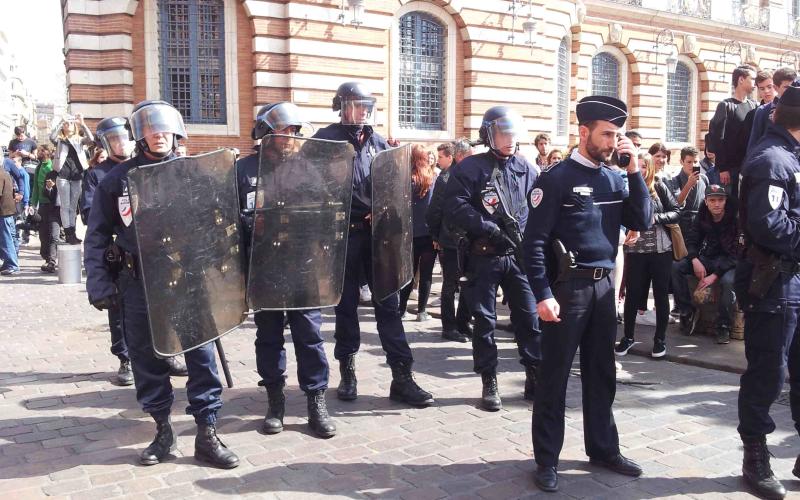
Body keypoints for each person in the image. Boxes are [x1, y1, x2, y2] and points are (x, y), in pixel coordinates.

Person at [84, 100, 239, 469]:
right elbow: (97, 235)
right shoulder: (116, 180)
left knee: (201, 356)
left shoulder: (192, 173)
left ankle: (207, 431)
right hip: (138, 281)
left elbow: (217, 222)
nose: (159, 135)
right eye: (151, 129)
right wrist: (99, 283)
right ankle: (163, 430)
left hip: (187, 278)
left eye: (164, 128)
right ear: (140, 135)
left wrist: (224, 265)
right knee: (147, 357)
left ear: (176, 131)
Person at [523, 95, 652, 492]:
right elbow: (534, 242)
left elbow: (641, 220)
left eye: (618, 135)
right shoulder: (555, 179)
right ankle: (547, 459)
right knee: (555, 378)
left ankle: (603, 448)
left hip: (603, 288)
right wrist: (543, 294)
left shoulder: (615, 178)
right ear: (584, 132)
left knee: (602, 373)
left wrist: (634, 173)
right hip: (568, 289)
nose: (614, 142)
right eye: (607, 134)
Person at [312, 81, 433, 407]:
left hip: (379, 240)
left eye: (367, 104)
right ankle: (347, 371)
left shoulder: (381, 145)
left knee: (390, 308)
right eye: (356, 104)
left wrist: (383, 210)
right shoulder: (324, 140)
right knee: (346, 308)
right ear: (342, 106)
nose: (363, 110)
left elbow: (398, 193)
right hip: (342, 238)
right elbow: (309, 188)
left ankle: (402, 377)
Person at [237, 102, 336, 438]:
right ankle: (274, 401)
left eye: (293, 131)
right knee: (268, 338)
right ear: (265, 132)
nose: (289, 137)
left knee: (310, 337)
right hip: (264, 268)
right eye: (283, 131)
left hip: (302, 266)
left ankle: (315, 400)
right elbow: (231, 220)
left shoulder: (308, 169)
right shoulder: (245, 170)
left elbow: (326, 215)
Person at [444, 105, 542, 412]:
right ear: (489, 134)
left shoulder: (527, 167)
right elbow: (456, 208)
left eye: (512, 133)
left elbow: (535, 208)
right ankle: (489, 379)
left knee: (529, 317)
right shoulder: (470, 168)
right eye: (502, 133)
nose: (508, 139)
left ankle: (534, 375)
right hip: (484, 255)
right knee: (484, 321)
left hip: (517, 255)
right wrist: (488, 228)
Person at [735, 82, 800, 499]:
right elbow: (767, 224)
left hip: (794, 279)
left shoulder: (790, 157)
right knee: (768, 374)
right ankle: (755, 455)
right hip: (773, 282)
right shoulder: (771, 160)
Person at [80, 117, 140, 385]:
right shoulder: (97, 174)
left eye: (124, 137)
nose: (120, 143)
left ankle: (164, 353)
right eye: (114, 139)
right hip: (117, 250)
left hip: (147, 247)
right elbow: (89, 213)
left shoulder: (142, 168)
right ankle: (125, 357)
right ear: (105, 143)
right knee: (119, 308)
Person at [615, 152, 680, 358]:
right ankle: (628, 337)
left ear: (650, 169)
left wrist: (655, 218)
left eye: (644, 167)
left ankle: (660, 340)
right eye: (638, 166)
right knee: (633, 294)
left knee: (660, 294)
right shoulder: (627, 187)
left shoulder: (659, 187)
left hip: (660, 250)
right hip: (635, 250)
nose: (641, 170)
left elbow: (677, 211)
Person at [673, 184, 739, 343]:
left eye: (720, 200)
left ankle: (723, 325)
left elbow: (738, 253)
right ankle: (687, 311)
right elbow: (691, 240)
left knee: (728, 282)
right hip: (708, 257)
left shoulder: (735, 218)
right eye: (713, 200)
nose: (717, 204)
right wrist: (695, 259)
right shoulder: (702, 215)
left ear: (725, 201)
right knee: (676, 267)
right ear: (706, 201)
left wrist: (715, 275)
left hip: (729, 261)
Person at [427, 142, 472, 343]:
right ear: (460, 156)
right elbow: (434, 211)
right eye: (469, 155)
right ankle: (449, 326)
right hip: (451, 239)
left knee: (469, 283)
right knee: (450, 284)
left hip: (470, 239)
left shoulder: (472, 174)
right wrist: (437, 237)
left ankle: (463, 322)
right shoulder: (445, 178)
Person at [399, 145, 437, 322]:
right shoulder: (433, 178)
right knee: (427, 274)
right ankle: (422, 312)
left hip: (410, 234)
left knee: (409, 274)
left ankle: (401, 309)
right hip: (429, 234)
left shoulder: (406, 178)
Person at [707, 64, 757, 198]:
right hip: (729, 171)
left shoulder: (754, 106)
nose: (755, 83)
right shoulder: (726, 105)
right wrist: (723, 168)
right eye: (752, 79)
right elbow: (718, 138)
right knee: (728, 206)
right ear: (741, 79)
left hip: (747, 167)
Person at [50, 114, 93, 244]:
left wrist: (83, 123)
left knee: (73, 207)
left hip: (76, 175)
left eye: (69, 123)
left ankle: (72, 233)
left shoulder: (79, 140)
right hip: (63, 176)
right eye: (65, 124)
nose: (66, 125)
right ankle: (68, 234)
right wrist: (60, 122)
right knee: (65, 206)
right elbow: (51, 137)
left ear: (74, 126)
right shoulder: (60, 140)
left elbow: (91, 139)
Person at [747, 66, 798, 153]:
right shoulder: (763, 111)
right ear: (776, 87)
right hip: (773, 160)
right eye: (787, 87)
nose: (792, 91)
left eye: (794, 86)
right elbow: (753, 145)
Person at [31, 145, 59, 273]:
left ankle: (52, 261)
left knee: (53, 234)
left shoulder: (52, 166)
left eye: (42, 150)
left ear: (47, 152)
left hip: (53, 205)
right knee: (43, 234)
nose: (39, 152)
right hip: (42, 205)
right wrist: (33, 204)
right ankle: (47, 257)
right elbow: (36, 188)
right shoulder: (38, 167)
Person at [0, 166, 18, 275]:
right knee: (10, 237)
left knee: (6, 238)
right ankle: (9, 263)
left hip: (3, 211)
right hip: (8, 210)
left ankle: (12, 264)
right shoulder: (4, 172)